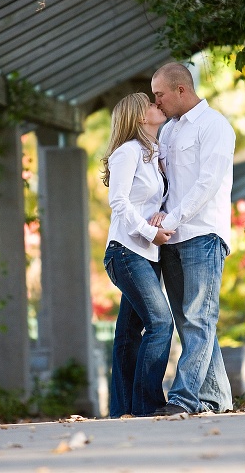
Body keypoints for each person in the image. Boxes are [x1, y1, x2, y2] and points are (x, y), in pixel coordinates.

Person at [149, 62, 236, 415]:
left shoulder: (214, 126)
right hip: (171, 238)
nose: (156, 104)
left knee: (199, 317)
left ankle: (183, 398)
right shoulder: (168, 131)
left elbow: (207, 184)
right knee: (188, 321)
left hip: (202, 235)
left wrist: (170, 219)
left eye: (160, 95)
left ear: (181, 90)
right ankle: (217, 399)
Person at [101, 92, 174, 418]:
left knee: (128, 334)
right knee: (160, 323)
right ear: (138, 117)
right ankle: (148, 406)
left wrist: (160, 214)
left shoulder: (152, 154)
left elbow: (147, 201)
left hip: (146, 253)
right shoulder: (126, 152)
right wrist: (149, 232)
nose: (157, 105)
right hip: (126, 251)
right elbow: (118, 202)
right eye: (150, 104)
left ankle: (122, 412)